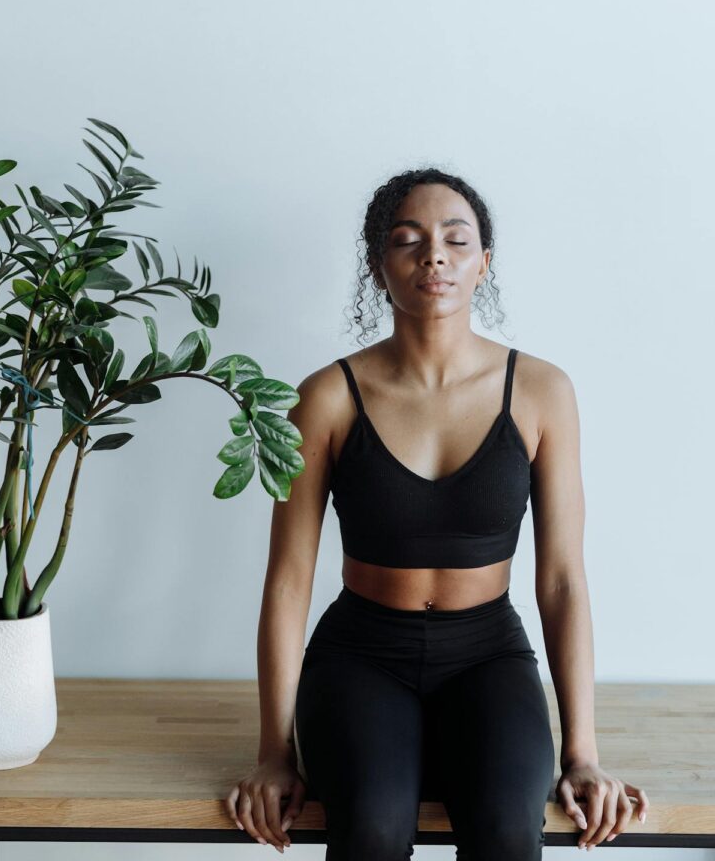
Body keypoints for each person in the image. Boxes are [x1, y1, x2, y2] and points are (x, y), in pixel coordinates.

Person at [226, 168, 649, 859]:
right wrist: (275, 753)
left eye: (457, 240)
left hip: (488, 653)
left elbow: (563, 579)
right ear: (378, 265)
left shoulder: (541, 391)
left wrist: (584, 753)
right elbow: (288, 581)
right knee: (371, 829)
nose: (435, 256)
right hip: (360, 655)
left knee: (511, 832)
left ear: (484, 263)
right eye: (408, 240)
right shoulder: (325, 398)